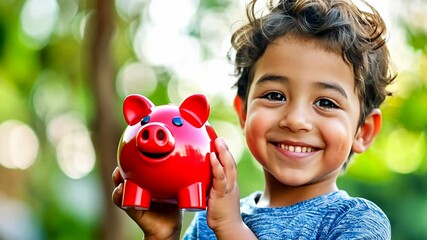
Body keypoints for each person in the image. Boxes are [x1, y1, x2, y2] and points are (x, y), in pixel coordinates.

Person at [112, 0, 396, 239]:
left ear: (364, 131)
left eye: (325, 102)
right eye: (275, 96)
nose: (296, 120)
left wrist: (231, 228)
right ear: (244, 113)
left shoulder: (357, 221)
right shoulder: (207, 222)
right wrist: (164, 236)